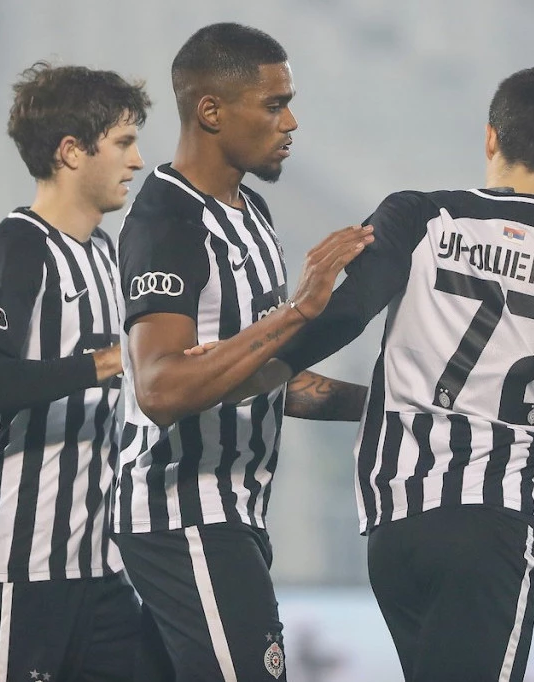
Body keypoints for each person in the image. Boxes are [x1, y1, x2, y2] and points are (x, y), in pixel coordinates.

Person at [268, 66, 534, 682]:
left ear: (491, 136)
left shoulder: (417, 216)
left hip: (394, 526)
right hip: (490, 521)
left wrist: (254, 365)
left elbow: (346, 316)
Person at [114, 22, 373, 682]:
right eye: (273, 104)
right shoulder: (168, 219)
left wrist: (400, 404)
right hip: (182, 515)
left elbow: (266, 377)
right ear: (211, 111)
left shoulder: (252, 213)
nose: (291, 122)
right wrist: (298, 312)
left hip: (235, 514)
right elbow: (160, 388)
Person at [0, 62, 155, 682]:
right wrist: (109, 361)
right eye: (123, 142)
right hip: (17, 566)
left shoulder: (107, 254)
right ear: (71, 151)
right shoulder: (17, 247)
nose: (138, 161)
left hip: (99, 569)